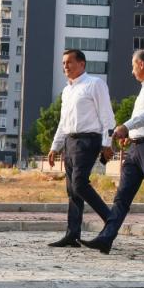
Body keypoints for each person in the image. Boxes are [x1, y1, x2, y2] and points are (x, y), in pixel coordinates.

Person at [82, 50, 144, 260]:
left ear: (142, 64)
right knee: (122, 197)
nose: (132, 70)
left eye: (133, 65)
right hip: (135, 148)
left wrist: (126, 126)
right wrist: (130, 134)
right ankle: (107, 237)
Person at [46, 49, 115, 248]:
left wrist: (107, 143)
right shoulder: (67, 90)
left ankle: (111, 220)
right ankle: (72, 234)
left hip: (88, 140)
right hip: (69, 141)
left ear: (82, 64)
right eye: (63, 63)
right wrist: (55, 146)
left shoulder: (95, 84)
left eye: (69, 62)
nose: (65, 66)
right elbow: (63, 122)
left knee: (79, 184)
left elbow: (107, 116)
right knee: (72, 190)